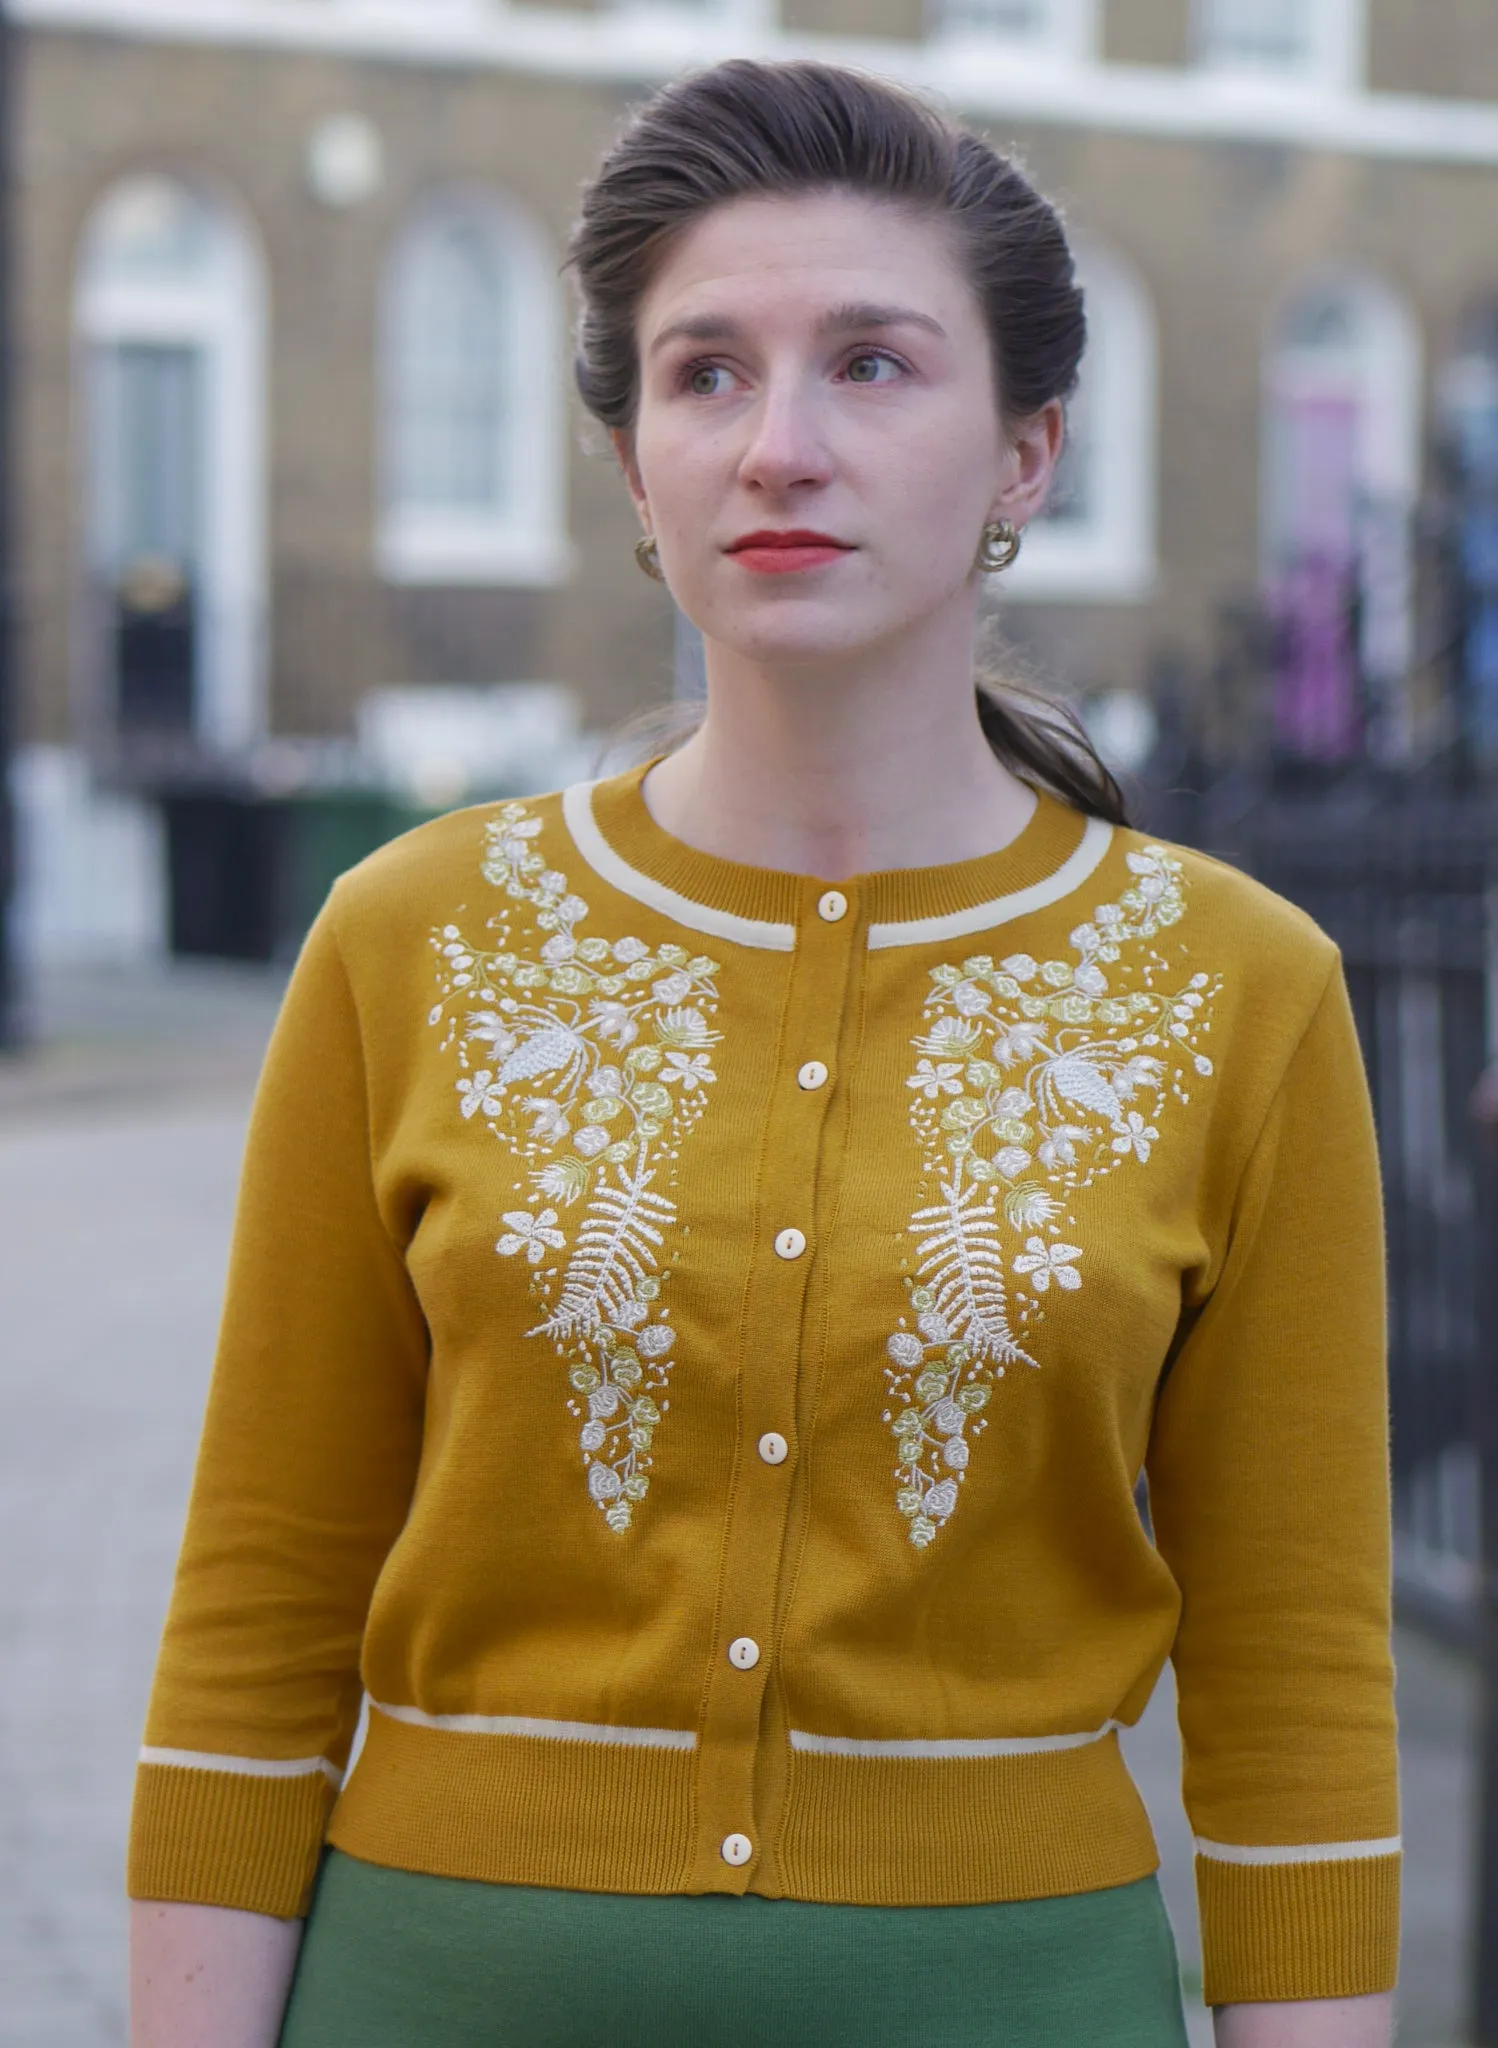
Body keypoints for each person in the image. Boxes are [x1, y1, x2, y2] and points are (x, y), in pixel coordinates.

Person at [128, 59, 1400, 2048]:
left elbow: (1296, 1665)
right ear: (632, 461)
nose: (777, 445)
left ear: (1024, 451)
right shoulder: (413, 939)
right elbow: (260, 1607)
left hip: (1012, 2001)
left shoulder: (1237, 988)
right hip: (438, 1996)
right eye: (704, 372)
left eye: (872, 367)